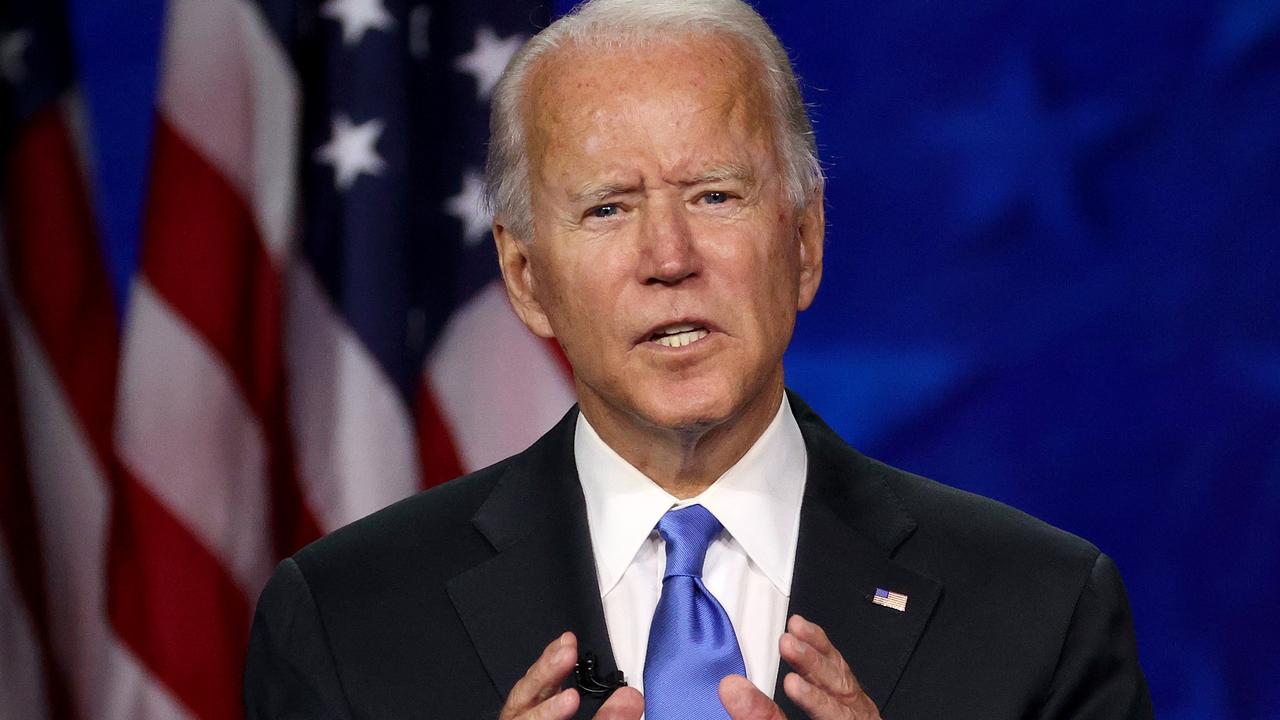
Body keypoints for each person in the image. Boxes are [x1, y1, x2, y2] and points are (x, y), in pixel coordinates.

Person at [244, 1, 1153, 718]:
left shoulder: (1042, 612)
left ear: (803, 243)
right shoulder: (344, 622)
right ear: (524, 279)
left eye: (716, 195)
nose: (669, 257)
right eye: (608, 208)